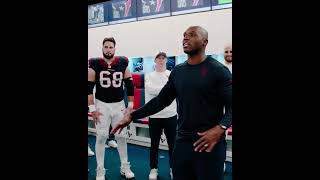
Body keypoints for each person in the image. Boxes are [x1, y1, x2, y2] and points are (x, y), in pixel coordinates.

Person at [112, 26, 232, 180]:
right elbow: (160, 101)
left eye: (192, 35)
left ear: (204, 42)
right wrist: (132, 116)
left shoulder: (218, 70)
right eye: (184, 35)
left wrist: (220, 129)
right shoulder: (178, 71)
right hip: (182, 141)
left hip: (208, 142)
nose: (186, 38)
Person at [88, 37, 135, 180]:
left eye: (111, 47)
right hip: (102, 104)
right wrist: (92, 108)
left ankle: (125, 167)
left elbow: (130, 85)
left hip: (119, 104)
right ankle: (100, 170)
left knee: (121, 136)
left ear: (115, 48)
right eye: (106, 47)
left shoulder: (122, 63)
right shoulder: (95, 64)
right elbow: (89, 88)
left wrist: (131, 106)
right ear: (102, 48)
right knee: (101, 137)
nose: (108, 49)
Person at [145, 52, 177, 180]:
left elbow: (172, 91)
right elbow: (150, 90)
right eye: (159, 58)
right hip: (154, 115)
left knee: (173, 145)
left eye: (163, 58)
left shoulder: (172, 74)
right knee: (154, 145)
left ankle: (173, 168)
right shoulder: (149, 75)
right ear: (155, 60)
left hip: (170, 114)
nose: (161, 60)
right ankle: (153, 169)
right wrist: (166, 90)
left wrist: (164, 91)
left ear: (166, 60)